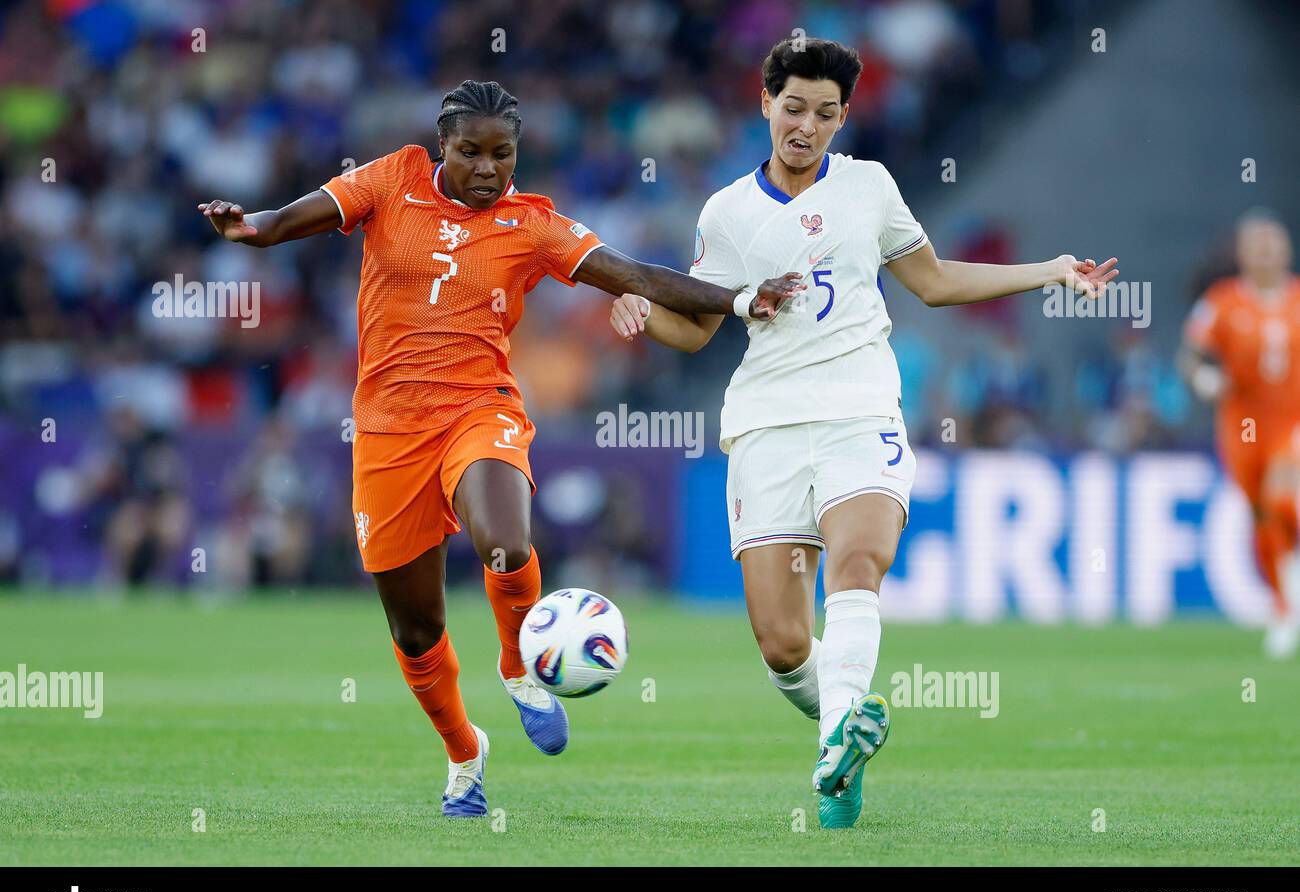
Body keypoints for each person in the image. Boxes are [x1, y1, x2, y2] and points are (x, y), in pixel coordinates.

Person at [198, 79, 799, 817]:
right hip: (388, 430)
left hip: (479, 409)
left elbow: (635, 275)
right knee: (415, 629)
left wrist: (739, 301)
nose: (488, 168)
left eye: (503, 154)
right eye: (471, 153)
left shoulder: (533, 225)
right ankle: (463, 754)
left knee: (506, 544)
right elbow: (310, 214)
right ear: (440, 147)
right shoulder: (391, 180)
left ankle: (519, 666)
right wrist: (255, 228)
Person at [609, 37, 1116, 829]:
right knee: (782, 645)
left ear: (843, 119)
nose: (807, 125)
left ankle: (838, 748)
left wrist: (1047, 269)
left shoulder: (870, 188)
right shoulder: (727, 213)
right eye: (794, 107)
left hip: (860, 406)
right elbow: (701, 329)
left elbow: (937, 281)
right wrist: (645, 316)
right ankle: (839, 738)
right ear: (765, 104)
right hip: (766, 423)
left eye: (826, 113)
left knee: (857, 560)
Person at [1181, 210, 1300, 659]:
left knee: (1281, 499)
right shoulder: (1223, 301)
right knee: (1262, 517)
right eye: (1257, 244)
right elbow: (1190, 357)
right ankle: (1286, 606)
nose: (1266, 252)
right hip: (1241, 427)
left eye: (1273, 243)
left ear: (1287, 249)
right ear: (1243, 253)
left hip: (1293, 423)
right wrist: (1204, 380)